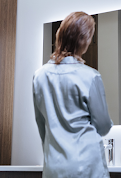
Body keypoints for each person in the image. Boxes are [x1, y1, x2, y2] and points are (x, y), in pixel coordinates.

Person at [32, 12, 112, 178]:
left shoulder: (39, 75)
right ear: (84, 40)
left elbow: (42, 125)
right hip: (86, 164)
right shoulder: (90, 76)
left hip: (53, 166)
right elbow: (103, 126)